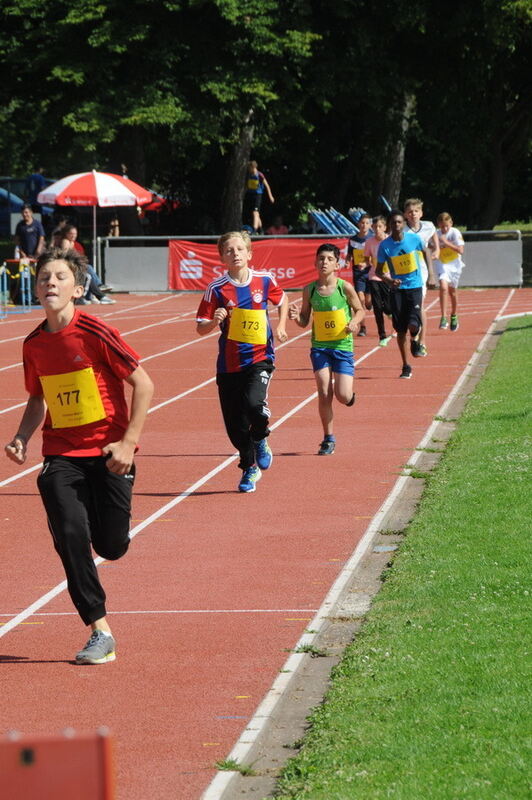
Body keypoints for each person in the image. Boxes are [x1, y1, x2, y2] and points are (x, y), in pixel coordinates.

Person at [4, 247, 154, 664]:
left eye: (59, 277)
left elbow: (144, 384)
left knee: (111, 546)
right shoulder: (34, 344)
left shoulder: (95, 331)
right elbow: (38, 398)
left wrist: (128, 444)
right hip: (62, 453)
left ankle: (107, 518)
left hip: (109, 452)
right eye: (43, 278)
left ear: (78, 287)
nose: (50, 283)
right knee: (70, 533)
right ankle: (99, 630)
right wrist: (21, 437)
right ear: (35, 288)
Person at [196, 230, 288, 492]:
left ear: (249, 253)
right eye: (229, 250)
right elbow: (200, 327)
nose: (234, 254)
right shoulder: (216, 289)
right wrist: (215, 321)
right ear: (222, 257)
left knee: (254, 404)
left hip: (260, 358)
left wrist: (280, 325)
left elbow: (282, 300)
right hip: (228, 365)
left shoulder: (264, 280)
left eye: (239, 249)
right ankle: (249, 467)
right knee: (235, 427)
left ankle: (261, 437)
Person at [288, 243, 364, 455]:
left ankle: (349, 397)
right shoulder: (310, 290)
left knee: (342, 395)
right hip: (320, 347)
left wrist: (354, 323)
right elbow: (304, 320)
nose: (324, 262)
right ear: (315, 262)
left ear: (337, 264)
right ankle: (328, 438)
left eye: (329, 259)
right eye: (321, 258)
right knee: (323, 391)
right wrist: (296, 317)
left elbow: (360, 310)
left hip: (342, 346)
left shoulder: (344, 287)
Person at [376, 210, 428, 379]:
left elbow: (426, 251)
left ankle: (415, 339)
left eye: (399, 222)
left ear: (404, 224)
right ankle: (406, 365)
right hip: (397, 290)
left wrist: (432, 275)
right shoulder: (385, 246)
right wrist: (390, 281)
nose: (396, 225)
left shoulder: (413, 239)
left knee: (414, 324)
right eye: (393, 223)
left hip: (414, 286)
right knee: (400, 330)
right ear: (389, 225)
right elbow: (379, 271)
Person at [403, 198, 438, 356]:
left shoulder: (429, 226)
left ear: (421, 213)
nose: (413, 214)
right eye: (410, 212)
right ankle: (413, 336)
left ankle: (422, 341)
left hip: (421, 272)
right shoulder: (401, 230)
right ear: (405, 214)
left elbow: (434, 243)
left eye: (416, 211)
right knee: (408, 308)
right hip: (405, 272)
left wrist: (436, 251)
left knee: (420, 305)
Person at [61, 224, 115, 304]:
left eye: (75, 234)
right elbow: (66, 256)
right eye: (71, 234)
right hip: (70, 266)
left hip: (76, 266)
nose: (73, 236)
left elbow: (79, 256)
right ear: (66, 234)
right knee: (88, 270)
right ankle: (99, 288)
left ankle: (98, 294)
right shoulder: (65, 242)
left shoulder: (74, 243)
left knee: (88, 273)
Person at [364, 215, 393, 346]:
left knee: (387, 307)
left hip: (388, 277)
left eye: (380, 226)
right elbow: (366, 258)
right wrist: (368, 263)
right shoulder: (369, 242)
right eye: (375, 227)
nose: (377, 229)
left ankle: (391, 314)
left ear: (385, 227)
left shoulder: (390, 240)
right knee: (377, 306)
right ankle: (382, 335)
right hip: (374, 275)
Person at [434, 212, 465, 331]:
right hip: (442, 264)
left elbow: (461, 250)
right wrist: (436, 248)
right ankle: (443, 317)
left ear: (451, 223)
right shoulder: (436, 234)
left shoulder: (455, 232)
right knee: (443, 286)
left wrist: (446, 243)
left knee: (453, 292)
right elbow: (431, 246)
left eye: (446, 226)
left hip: (455, 265)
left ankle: (454, 315)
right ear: (438, 225)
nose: (444, 229)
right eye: (442, 226)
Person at [346, 213, 372, 337]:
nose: (364, 225)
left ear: (370, 225)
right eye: (362, 223)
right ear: (358, 224)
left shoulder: (372, 239)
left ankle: (369, 303)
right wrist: (346, 261)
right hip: (358, 273)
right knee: (360, 300)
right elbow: (349, 254)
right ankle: (363, 327)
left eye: (367, 223)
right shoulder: (353, 239)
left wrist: (367, 263)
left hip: (371, 273)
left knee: (368, 300)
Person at [244, 161, 274, 234]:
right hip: (251, 195)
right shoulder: (249, 175)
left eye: (249, 168)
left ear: (253, 167)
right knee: (256, 214)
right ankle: (261, 230)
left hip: (258, 195)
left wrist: (270, 196)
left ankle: (254, 229)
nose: (249, 169)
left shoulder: (260, 175)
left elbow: (267, 186)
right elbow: (247, 186)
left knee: (255, 212)